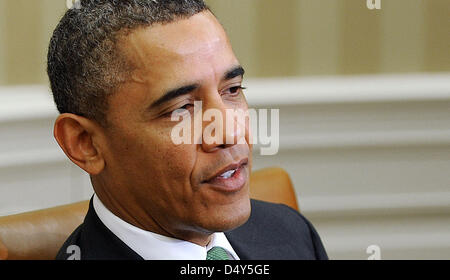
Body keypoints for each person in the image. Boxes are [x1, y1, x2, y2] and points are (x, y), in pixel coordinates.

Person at [48, 0, 328, 260]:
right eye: (181, 108)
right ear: (85, 144)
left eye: (232, 89)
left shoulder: (292, 234)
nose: (230, 132)